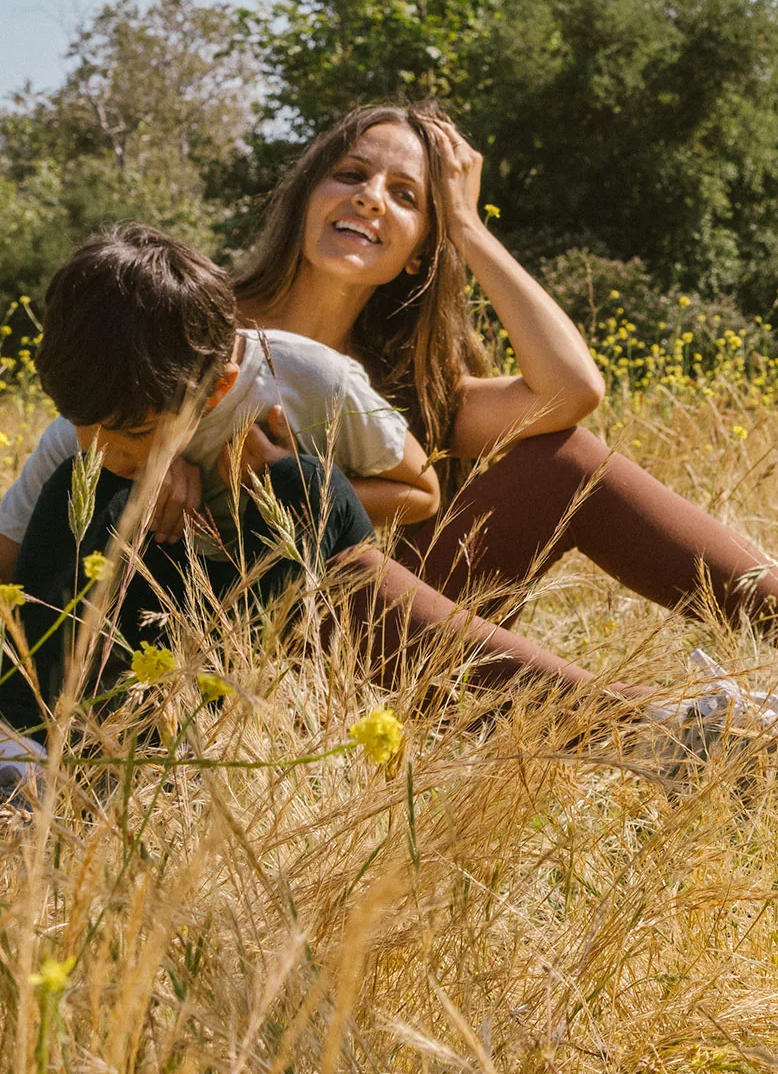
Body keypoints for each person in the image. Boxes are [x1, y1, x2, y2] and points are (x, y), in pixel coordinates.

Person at [232, 101, 778, 673]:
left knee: (558, 459)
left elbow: (570, 390)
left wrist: (468, 228)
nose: (370, 196)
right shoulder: (197, 323)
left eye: (406, 196)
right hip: (233, 649)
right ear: (303, 199)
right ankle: (664, 726)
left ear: (418, 256)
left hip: (380, 656)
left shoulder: (407, 389)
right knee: (346, 565)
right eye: (349, 175)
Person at [0, 225, 609, 743]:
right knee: (70, 493)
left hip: (306, 614)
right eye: (84, 425)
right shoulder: (85, 429)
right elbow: (13, 571)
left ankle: (624, 718)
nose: (105, 447)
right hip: (167, 646)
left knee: (299, 481)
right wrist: (126, 503)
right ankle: (43, 743)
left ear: (217, 388)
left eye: (134, 432)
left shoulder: (306, 377)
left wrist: (264, 486)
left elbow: (422, 492)